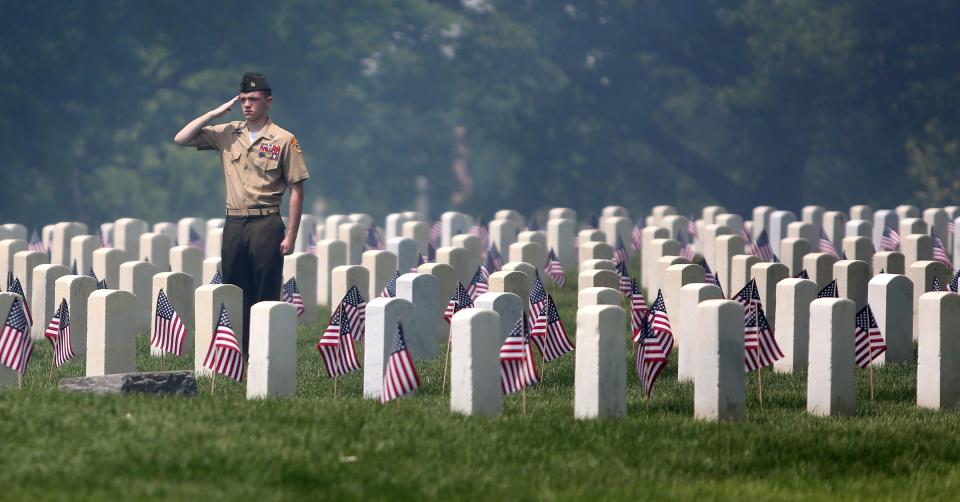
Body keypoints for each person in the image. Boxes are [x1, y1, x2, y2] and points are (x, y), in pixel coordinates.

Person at [174, 72, 308, 353]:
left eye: (254, 99)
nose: (247, 104)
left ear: (268, 102)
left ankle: (263, 353)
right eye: (243, 99)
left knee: (264, 293)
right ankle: (238, 354)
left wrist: (292, 235)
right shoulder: (228, 133)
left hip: (266, 222)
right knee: (234, 290)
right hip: (234, 222)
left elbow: (297, 188)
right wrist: (215, 112)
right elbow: (181, 138)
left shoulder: (284, 139)